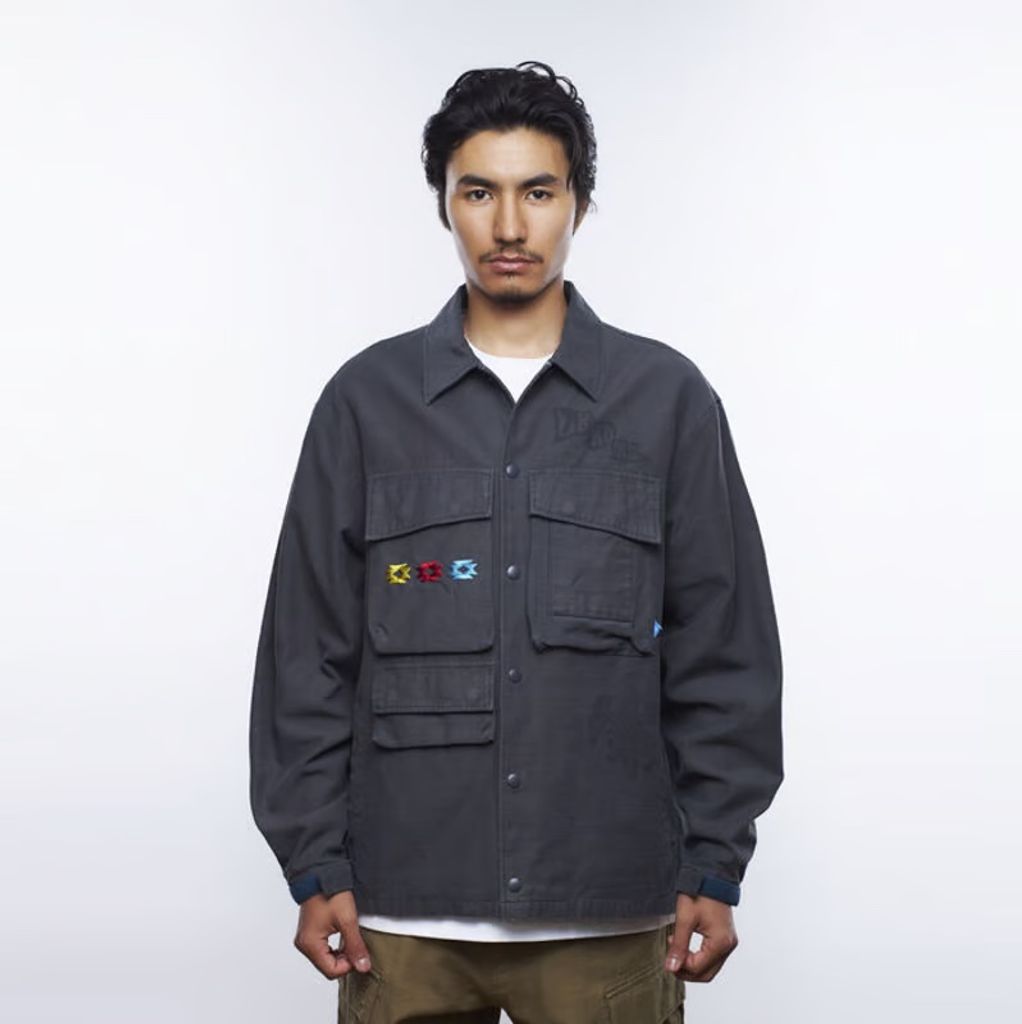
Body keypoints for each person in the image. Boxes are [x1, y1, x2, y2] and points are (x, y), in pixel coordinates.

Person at [248, 60, 784, 1023]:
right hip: (401, 921)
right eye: (478, 193)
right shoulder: (365, 405)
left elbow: (725, 649)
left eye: (538, 192)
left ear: (579, 202)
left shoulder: (667, 403)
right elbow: (305, 654)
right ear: (444, 205)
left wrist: (716, 859)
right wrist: (313, 863)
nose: (508, 226)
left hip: (610, 917)